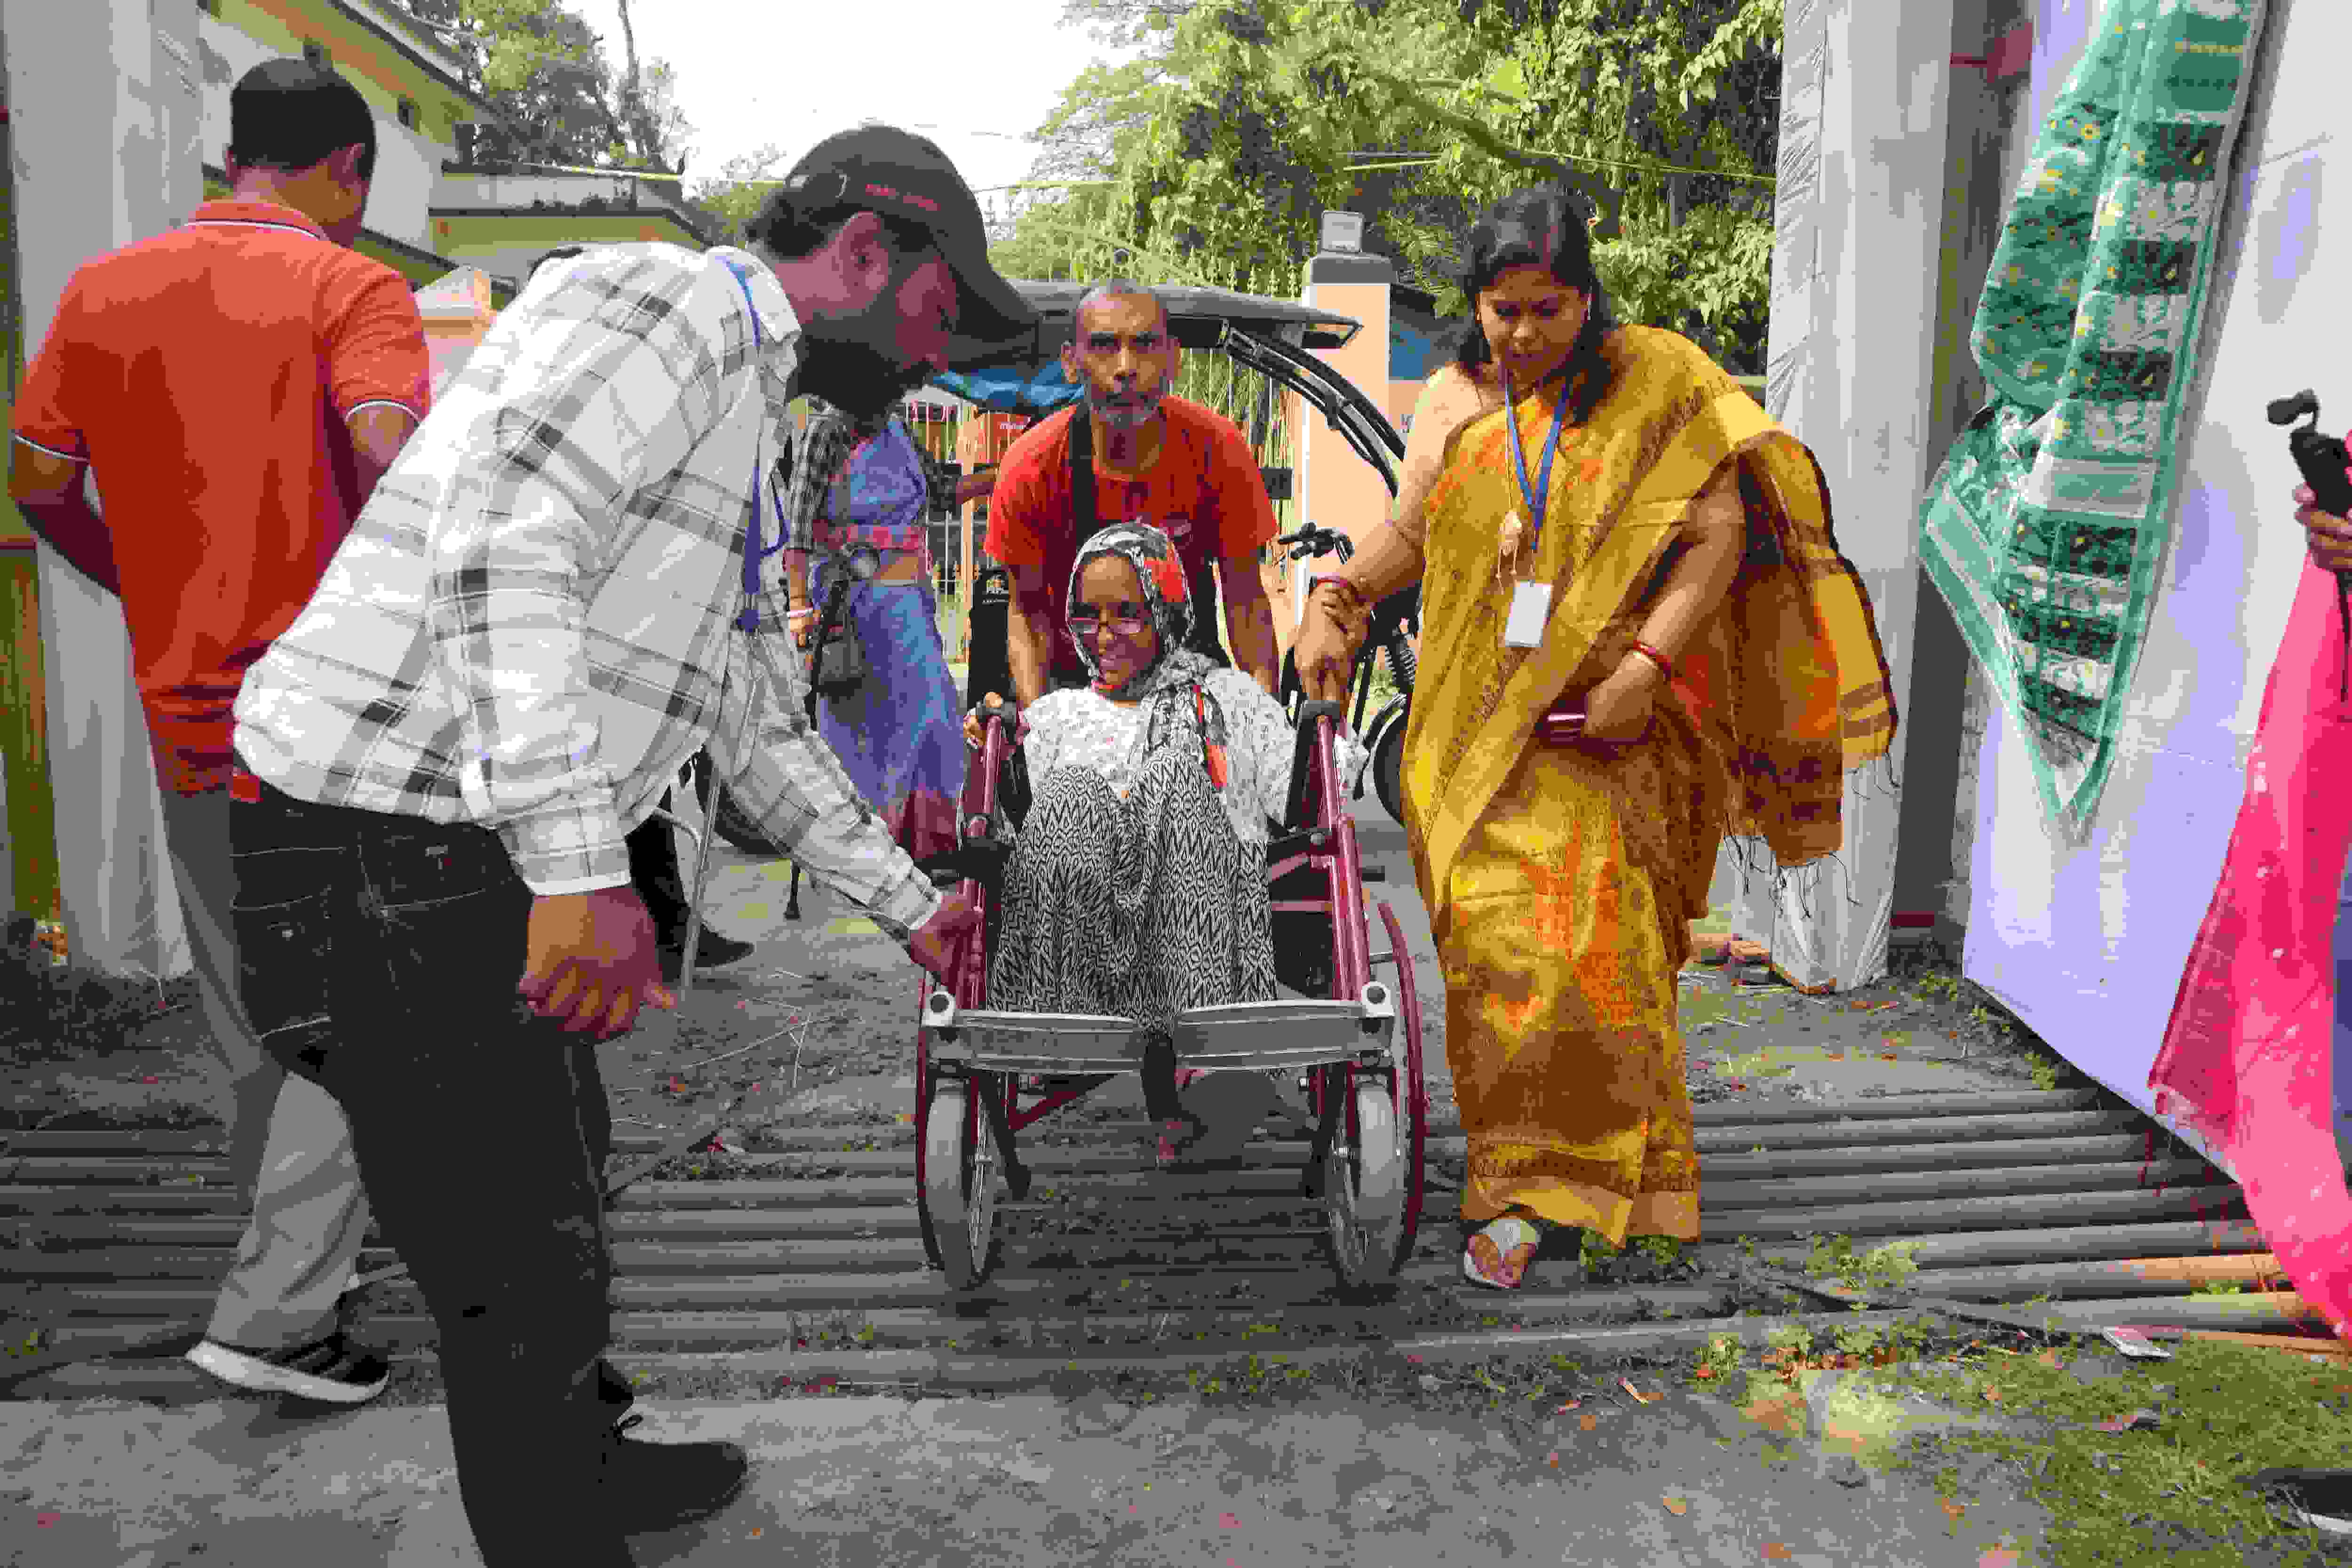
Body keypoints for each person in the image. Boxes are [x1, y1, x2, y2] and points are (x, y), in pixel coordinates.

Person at [223, 124, 1016, 1568]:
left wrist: (909, 905)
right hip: (386, 834)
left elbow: (746, 707)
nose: (933, 356)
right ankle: (554, 1529)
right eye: (935, 311)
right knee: (510, 1251)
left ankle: (583, 1462)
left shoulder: (743, 405)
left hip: (448, 836)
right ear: (860, 255)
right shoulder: (664, 305)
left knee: (559, 1176)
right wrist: (581, 872)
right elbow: (504, 548)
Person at [1292, 185, 1897, 1290]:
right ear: (1476, 305)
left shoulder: (1653, 381)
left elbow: (1717, 531)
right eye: (1504, 311)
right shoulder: (1454, 402)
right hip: (1474, 735)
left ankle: (1598, 1189)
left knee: (1597, 955)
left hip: (1610, 723)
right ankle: (1529, 1180)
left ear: (1586, 299)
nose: (1524, 334)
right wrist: (1339, 595)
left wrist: (1644, 668)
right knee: (1497, 963)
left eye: (1548, 310)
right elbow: (1411, 533)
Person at [7, 60, 431, 1404]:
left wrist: (142, 578)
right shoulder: (352, 290)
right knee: (367, 1015)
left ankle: (308, 1268)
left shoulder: (102, 290)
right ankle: (277, 1315)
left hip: (184, 708)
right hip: (327, 724)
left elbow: (39, 481)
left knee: (256, 1013)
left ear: (234, 154)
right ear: (347, 170)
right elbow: (391, 458)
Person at [963, 522, 1364, 1161]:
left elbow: (1310, 793)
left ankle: (1207, 1050)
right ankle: (1059, 1023)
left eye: (1127, 613)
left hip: (1204, 920)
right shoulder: (1056, 718)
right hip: (1090, 936)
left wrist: (1331, 714)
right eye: (1088, 615)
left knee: (1177, 773)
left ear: (1167, 608)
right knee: (1067, 789)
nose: (1103, 633)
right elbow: (1006, 833)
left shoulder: (1228, 697)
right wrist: (988, 749)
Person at [527, 243, 760, 979]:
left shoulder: (632, 400)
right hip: (554, 648)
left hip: (625, 643)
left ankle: (667, 922)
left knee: (646, 790)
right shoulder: (534, 400)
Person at [980, 279, 1282, 720]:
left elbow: (1246, 601)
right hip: (1076, 686)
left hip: (1187, 679)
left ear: (1173, 358)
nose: (1125, 367)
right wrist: (1042, 733)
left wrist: (1266, 724)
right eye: (1104, 346)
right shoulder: (1032, 466)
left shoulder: (1218, 449)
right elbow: (1029, 619)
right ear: (1071, 362)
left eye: (1145, 345)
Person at [779, 390, 996, 863]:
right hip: (850, 611)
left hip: (909, 606)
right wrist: (798, 608)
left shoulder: (898, 429)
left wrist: (999, 476)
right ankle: (864, 852)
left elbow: (943, 491)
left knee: (935, 715)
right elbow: (798, 529)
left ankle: (931, 845)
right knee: (862, 738)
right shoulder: (825, 432)